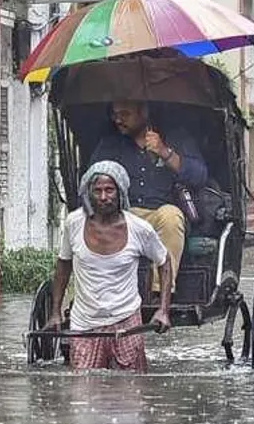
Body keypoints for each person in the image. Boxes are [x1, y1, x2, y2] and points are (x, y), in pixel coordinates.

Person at [45, 160, 173, 371]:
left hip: (126, 321)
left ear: (120, 191)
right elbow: (63, 265)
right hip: (85, 323)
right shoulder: (73, 223)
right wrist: (56, 312)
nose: (103, 197)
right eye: (97, 191)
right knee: (83, 394)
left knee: (130, 391)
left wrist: (163, 310)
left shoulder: (139, 229)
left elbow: (164, 261)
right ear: (89, 193)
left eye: (109, 190)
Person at [89, 100, 208, 299]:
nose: (118, 119)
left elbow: (200, 176)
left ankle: (159, 293)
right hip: (125, 213)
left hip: (163, 214)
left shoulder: (175, 137)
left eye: (125, 114)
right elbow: (92, 178)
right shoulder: (110, 144)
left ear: (143, 112)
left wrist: (165, 152)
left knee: (170, 216)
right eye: (115, 114)